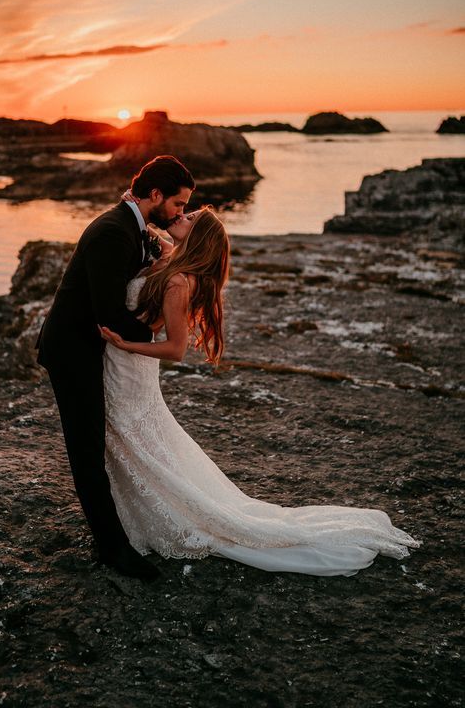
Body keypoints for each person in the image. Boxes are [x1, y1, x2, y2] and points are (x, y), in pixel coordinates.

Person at [100, 206, 420, 576]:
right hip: (128, 367)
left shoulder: (178, 281)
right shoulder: (174, 262)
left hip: (130, 364)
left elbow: (175, 348)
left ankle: (155, 514)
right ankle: (137, 510)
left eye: (188, 219)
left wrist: (125, 344)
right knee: (137, 440)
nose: (181, 216)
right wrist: (139, 215)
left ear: (198, 237)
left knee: (132, 438)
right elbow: (160, 243)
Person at [36, 155, 195, 581]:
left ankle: (116, 531)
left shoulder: (133, 225)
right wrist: (155, 337)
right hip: (72, 351)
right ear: (155, 195)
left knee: (97, 443)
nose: (180, 213)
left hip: (91, 347)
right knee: (86, 450)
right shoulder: (113, 232)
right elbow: (108, 310)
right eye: (178, 204)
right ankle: (112, 547)